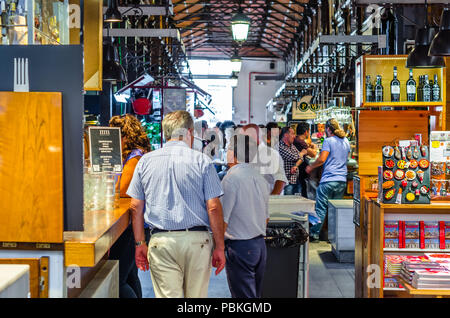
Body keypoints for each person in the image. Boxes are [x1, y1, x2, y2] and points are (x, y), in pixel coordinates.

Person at [126, 110, 226, 298]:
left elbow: (135, 207)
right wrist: (219, 247)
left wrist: (139, 243)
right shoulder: (202, 161)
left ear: (165, 133)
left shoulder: (145, 162)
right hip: (198, 242)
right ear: (189, 131)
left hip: (161, 242)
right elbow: (213, 207)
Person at [221, 134, 271, 298]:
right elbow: (266, 218)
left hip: (240, 247)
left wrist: (217, 247)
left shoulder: (231, 178)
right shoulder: (259, 177)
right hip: (259, 246)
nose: (226, 152)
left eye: (228, 148)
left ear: (234, 154)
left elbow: (223, 220)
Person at [108, 114, 152, 298]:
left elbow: (123, 189)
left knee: (118, 280)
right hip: (137, 223)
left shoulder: (135, 157)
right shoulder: (137, 155)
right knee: (130, 275)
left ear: (125, 135)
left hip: (133, 225)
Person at [305, 118, 350, 241]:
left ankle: (314, 234)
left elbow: (322, 159)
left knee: (321, 208)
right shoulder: (346, 141)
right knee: (335, 210)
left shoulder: (328, 141)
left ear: (328, 129)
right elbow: (347, 158)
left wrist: (311, 166)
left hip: (329, 179)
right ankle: (334, 235)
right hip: (342, 180)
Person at [242, 124, 288, 195]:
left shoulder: (271, 154)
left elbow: (281, 180)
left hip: (266, 200)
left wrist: (271, 200)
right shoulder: (246, 153)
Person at [278, 126, 308, 195]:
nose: (294, 136)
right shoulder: (280, 147)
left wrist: (295, 165)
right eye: (292, 134)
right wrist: (302, 153)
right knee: (288, 204)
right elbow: (294, 157)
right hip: (287, 182)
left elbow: (301, 158)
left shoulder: (292, 146)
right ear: (286, 135)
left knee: (296, 203)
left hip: (295, 180)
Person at [294, 122, 318, 198]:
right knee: (301, 192)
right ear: (306, 132)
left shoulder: (297, 140)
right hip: (299, 172)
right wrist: (314, 147)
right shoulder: (301, 141)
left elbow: (304, 152)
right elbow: (313, 154)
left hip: (297, 172)